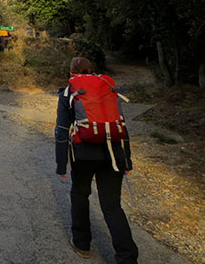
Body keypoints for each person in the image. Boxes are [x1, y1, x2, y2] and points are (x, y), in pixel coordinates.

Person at [55, 57, 138, 263]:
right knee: (112, 206)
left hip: (83, 154)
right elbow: (122, 126)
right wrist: (126, 160)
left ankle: (82, 244)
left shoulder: (69, 92)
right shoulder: (108, 89)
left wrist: (60, 164)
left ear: (72, 73)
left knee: (80, 194)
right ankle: (127, 257)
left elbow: (62, 130)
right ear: (92, 70)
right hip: (113, 154)